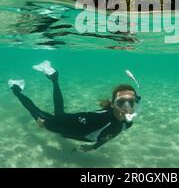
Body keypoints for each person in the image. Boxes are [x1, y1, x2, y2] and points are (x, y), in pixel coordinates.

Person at [8, 60, 140, 152]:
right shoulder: (99, 118)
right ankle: (15, 87)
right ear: (112, 104)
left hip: (73, 128)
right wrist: (48, 124)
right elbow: (75, 120)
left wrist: (94, 147)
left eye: (131, 103)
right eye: (121, 102)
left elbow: (109, 135)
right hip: (68, 127)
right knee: (35, 111)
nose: (126, 107)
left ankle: (54, 76)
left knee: (59, 112)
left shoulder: (127, 123)